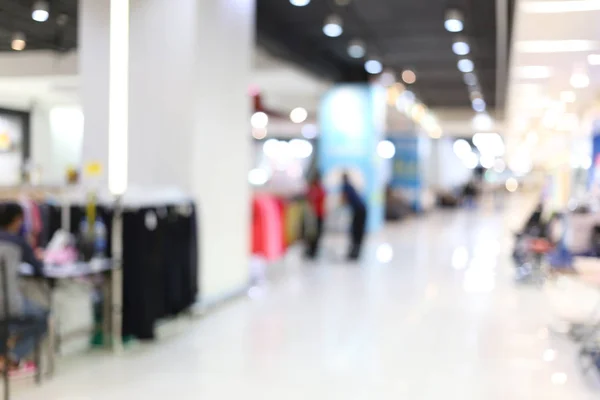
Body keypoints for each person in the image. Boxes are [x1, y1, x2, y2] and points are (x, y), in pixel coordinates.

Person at [0, 203, 48, 371]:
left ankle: (3, 354)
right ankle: (13, 356)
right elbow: (39, 269)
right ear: (17, 220)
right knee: (44, 317)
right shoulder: (19, 243)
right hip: (10, 303)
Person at [341, 172, 367, 260]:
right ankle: (355, 251)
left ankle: (355, 251)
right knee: (356, 231)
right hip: (360, 209)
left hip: (359, 210)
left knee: (357, 231)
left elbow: (344, 199)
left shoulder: (346, 186)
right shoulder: (349, 186)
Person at [305, 173, 326, 259]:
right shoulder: (312, 189)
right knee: (311, 234)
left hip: (318, 215)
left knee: (317, 234)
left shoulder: (320, 189)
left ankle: (314, 251)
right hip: (312, 216)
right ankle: (310, 250)